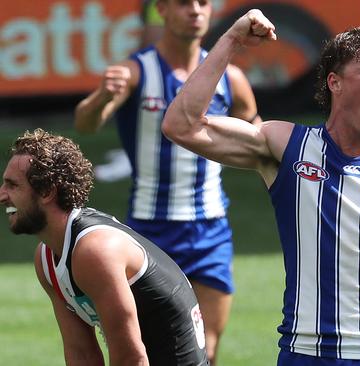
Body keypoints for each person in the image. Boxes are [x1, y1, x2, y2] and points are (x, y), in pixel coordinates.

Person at [162, 9, 360, 366]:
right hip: (305, 354)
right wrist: (231, 40)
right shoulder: (286, 146)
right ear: (334, 82)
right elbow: (181, 125)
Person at [73, 0, 261, 363]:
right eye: (183, 3)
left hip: (209, 230)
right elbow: (86, 124)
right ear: (162, 10)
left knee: (205, 345)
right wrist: (101, 97)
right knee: (148, 343)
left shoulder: (232, 79)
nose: (195, 10)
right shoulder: (135, 71)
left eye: (203, 3)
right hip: (149, 231)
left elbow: (259, 139)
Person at [0, 129, 208, 365]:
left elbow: (132, 358)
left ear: (47, 192)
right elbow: (81, 353)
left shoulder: (95, 251)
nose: (2, 195)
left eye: (12, 185)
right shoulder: (47, 257)